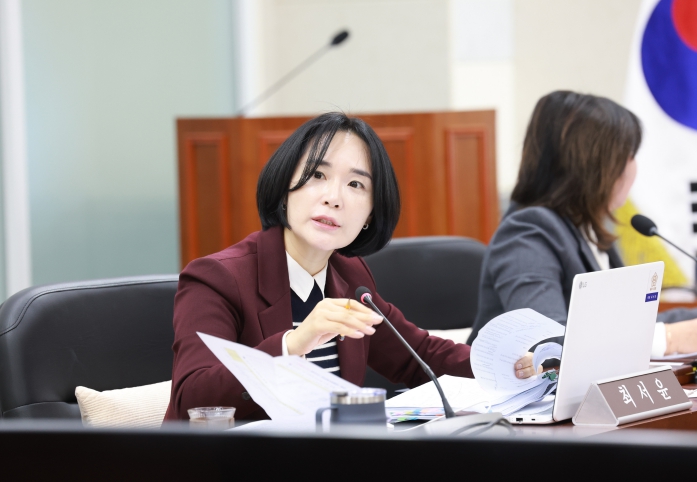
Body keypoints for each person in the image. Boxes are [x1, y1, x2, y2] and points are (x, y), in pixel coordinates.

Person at [164, 112, 535, 421]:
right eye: (317, 175)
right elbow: (192, 399)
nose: (334, 197)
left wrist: (508, 364)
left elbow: (417, 356)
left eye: (356, 184)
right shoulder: (217, 278)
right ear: (284, 186)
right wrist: (293, 344)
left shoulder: (350, 277)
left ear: (370, 214)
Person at [467, 91, 697, 357]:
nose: (634, 168)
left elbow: (628, 325)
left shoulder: (585, 229)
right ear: (596, 166)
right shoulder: (527, 233)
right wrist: (669, 339)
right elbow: (547, 343)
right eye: (629, 155)